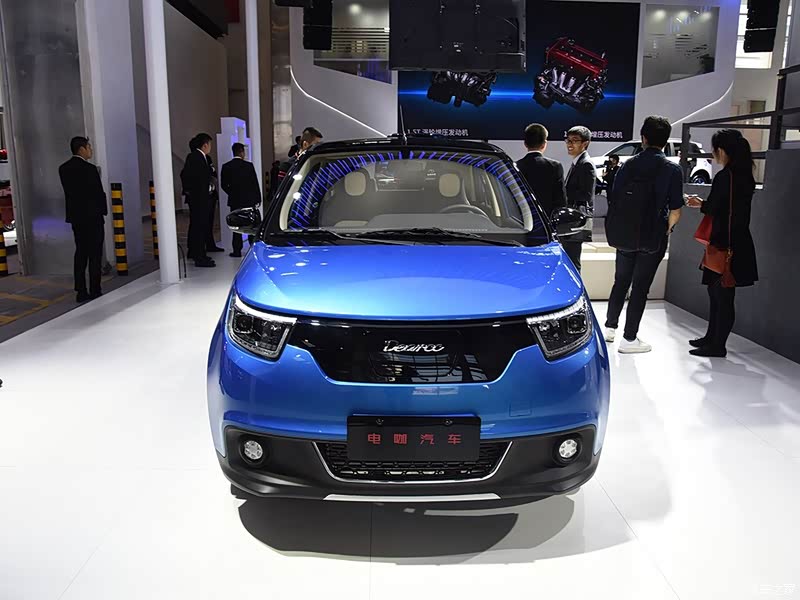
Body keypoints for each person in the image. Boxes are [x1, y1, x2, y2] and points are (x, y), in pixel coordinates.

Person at [604, 116, 684, 354]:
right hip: (653, 236)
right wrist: (666, 229)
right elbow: (676, 210)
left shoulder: (628, 165)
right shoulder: (672, 169)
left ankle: (610, 328)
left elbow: (615, 197)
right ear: (665, 140)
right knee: (640, 287)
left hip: (625, 233)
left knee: (621, 281)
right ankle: (629, 339)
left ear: (643, 138)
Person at [685, 129, 758, 358]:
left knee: (720, 297)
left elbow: (716, 207)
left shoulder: (726, 176)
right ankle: (712, 339)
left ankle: (717, 345)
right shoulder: (744, 176)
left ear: (722, 151)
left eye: (715, 150)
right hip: (736, 241)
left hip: (723, 244)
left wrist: (700, 203)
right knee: (721, 295)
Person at [59, 136, 108, 302]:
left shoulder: (63, 169)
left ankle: (80, 290)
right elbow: (98, 193)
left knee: (80, 252)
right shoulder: (90, 169)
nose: (91, 150)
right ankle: (95, 289)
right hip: (93, 218)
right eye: (89, 147)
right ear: (81, 149)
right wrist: (103, 211)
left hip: (77, 218)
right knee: (95, 254)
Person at [516, 123, 566, 218]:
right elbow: (560, 200)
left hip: (522, 219)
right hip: (547, 220)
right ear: (544, 144)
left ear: (525, 143)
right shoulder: (555, 166)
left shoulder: (516, 166)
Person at [181, 133, 216, 268]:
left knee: (198, 226)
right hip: (199, 199)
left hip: (201, 198)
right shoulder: (195, 157)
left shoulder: (201, 157)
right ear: (205, 145)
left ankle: (197, 252)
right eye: (209, 144)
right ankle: (199, 256)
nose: (210, 147)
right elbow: (189, 177)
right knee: (199, 226)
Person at [564, 126, 596, 271]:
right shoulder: (578, 162)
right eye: (568, 140)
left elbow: (586, 195)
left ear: (585, 143)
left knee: (573, 262)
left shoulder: (586, 164)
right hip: (572, 221)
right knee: (570, 260)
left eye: (575, 140)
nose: (570, 144)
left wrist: (563, 194)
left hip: (576, 221)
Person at [221, 143, 262, 257]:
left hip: (235, 200)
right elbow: (254, 183)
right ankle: (252, 248)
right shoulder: (248, 166)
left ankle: (237, 250)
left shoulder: (226, 166)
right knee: (251, 224)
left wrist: (232, 193)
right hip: (249, 200)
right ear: (242, 152)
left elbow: (224, 185)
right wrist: (257, 198)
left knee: (236, 225)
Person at [274, 127, 323, 194]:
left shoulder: (319, 164)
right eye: (315, 145)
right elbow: (283, 193)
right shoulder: (287, 167)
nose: (318, 148)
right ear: (305, 144)